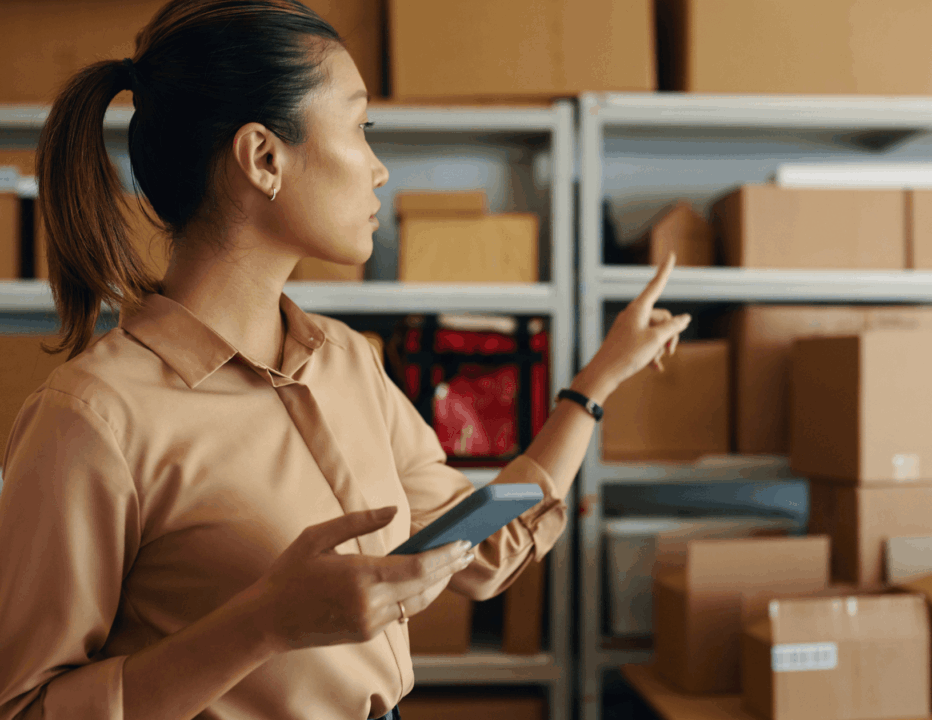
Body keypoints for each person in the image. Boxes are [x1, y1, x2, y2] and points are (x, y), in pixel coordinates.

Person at [0, 1, 692, 719]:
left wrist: (599, 378)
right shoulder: (93, 419)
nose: (381, 170)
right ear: (264, 158)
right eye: (361, 127)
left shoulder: (348, 362)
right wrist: (262, 624)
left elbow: (483, 552)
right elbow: (26, 707)